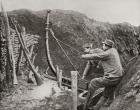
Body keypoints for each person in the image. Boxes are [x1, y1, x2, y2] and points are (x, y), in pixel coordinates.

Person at [81, 39, 123, 110]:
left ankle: (86, 106)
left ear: (106, 46)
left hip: (112, 78)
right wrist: (89, 51)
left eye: (103, 45)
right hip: (118, 77)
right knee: (106, 94)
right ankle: (98, 107)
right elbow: (98, 51)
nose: (102, 46)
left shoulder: (107, 54)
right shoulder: (113, 50)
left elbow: (97, 56)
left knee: (93, 83)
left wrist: (84, 56)